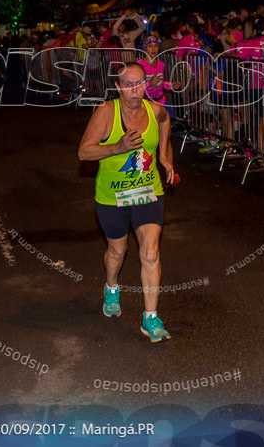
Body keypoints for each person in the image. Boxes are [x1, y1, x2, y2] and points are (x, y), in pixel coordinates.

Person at [78, 62, 176, 343]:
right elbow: (83, 153)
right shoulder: (106, 113)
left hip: (148, 191)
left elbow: (165, 120)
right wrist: (117, 147)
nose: (136, 89)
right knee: (117, 252)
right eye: (129, 84)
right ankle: (111, 287)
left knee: (150, 253)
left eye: (140, 83)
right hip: (112, 196)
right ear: (119, 87)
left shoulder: (154, 109)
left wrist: (164, 157)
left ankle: (151, 317)